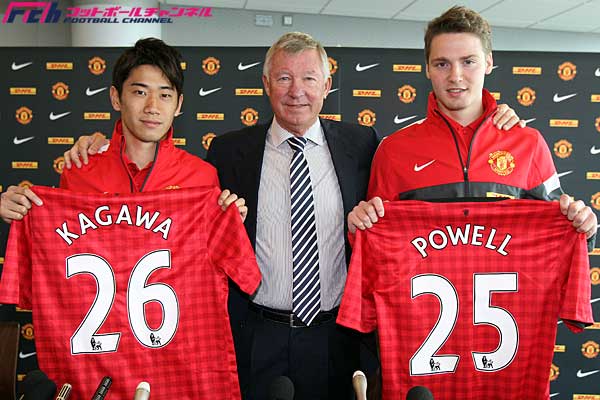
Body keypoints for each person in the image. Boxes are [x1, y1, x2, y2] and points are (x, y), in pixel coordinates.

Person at [32, 32, 524, 400]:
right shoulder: (225, 155)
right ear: (266, 84)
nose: (296, 91)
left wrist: (498, 119)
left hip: (338, 335)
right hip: (255, 334)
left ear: (327, 84)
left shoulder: (363, 145)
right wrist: (95, 145)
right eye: (284, 78)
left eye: (309, 78)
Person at [347, 7, 597, 247]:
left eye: (468, 62)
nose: (455, 76)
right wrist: (358, 227)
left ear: (488, 63)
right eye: (442, 64)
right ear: (427, 68)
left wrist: (582, 227)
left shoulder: (528, 143)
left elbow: (559, 230)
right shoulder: (394, 150)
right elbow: (375, 242)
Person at [0, 38, 245, 221]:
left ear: (178, 105)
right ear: (116, 98)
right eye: (140, 92)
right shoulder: (79, 171)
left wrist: (229, 223)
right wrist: (20, 210)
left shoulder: (202, 177)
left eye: (165, 95)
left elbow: (211, 258)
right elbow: (58, 250)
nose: (152, 107)